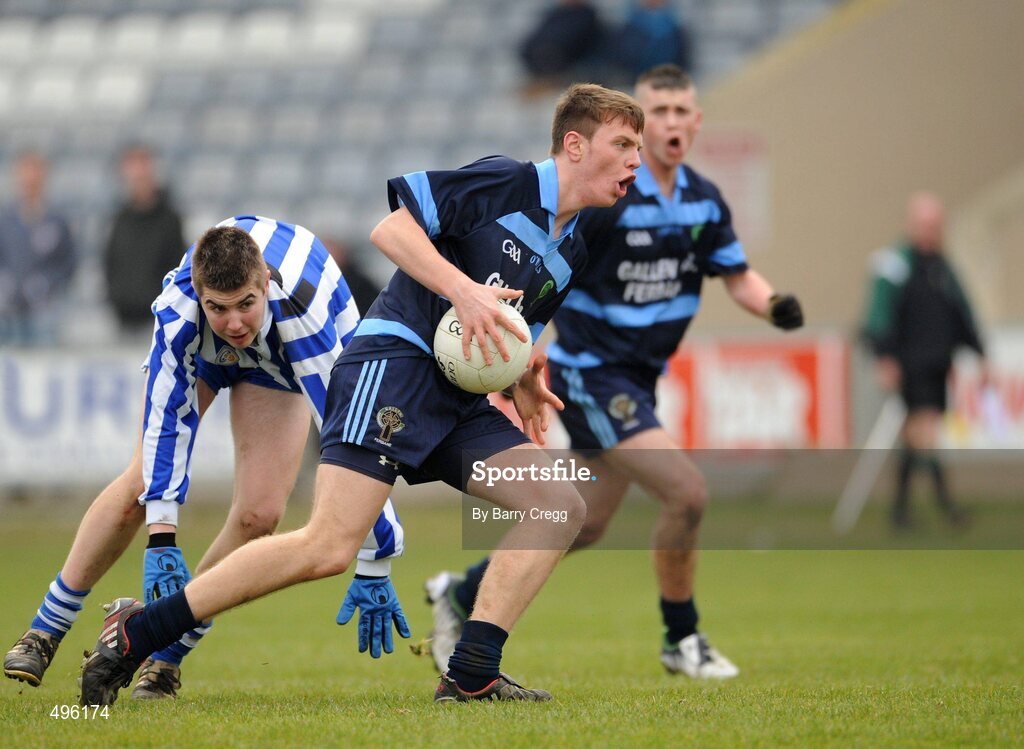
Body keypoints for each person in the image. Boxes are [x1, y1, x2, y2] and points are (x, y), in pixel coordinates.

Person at [76, 83, 644, 706]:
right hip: (393, 368)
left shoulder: (574, 248)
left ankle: (473, 672)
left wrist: (522, 376)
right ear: (574, 145)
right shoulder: (504, 183)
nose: (634, 161)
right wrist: (464, 290)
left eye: (636, 150)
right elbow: (392, 231)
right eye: (622, 145)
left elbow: (507, 331)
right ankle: (139, 633)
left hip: (456, 401)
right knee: (328, 548)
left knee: (559, 506)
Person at [426, 65, 803, 680]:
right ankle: (682, 639)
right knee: (687, 492)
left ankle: (461, 591)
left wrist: (771, 304)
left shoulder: (704, 199)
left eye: (684, 110)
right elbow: (545, 278)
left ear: (697, 121)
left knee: (588, 521)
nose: (672, 122)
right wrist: (519, 361)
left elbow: (735, 272)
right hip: (594, 373)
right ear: (638, 124)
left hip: (639, 377)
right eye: (660, 112)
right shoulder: (608, 202)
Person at [5, 216, 406, 699]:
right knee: (141, 482)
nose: (234, 322)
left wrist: (376, 554)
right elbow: (165, 425)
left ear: (266, 286)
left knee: (260, 516)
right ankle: (46, 629)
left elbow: (352, 439)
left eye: (245, 305)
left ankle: (163, 656)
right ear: (198, 293)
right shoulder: (179, 309)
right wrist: (161, 539)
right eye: (218, 307)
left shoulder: (306, 317)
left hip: (280, 360)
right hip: (205, 352)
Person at [862, 192, 985, 529]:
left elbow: (962, 312)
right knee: (925, 431)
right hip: (910, 363)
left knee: (918, 435)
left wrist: (979, 351)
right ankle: (945, 507)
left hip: (938, 364)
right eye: (926, 225)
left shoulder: (943, 268)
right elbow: (878, 314)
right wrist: (884, 356)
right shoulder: (896, 264)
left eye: (936, 226)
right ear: (913, 225)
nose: (932, 232)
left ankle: (901, 511)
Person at [102, 144, 186, 336]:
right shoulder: (119, 219)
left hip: (158, 318)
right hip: (123, 318)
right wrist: (116, 298)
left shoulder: (170, 220)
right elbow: (110, 263)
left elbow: (177, 265)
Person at [0, 150, 76, 346]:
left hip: (44, 309)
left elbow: (68, 263)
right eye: (26, 173)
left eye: (36, 172)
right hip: (7, 311)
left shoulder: (57, 220)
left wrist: (48, 282)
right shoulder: (5, 220)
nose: (30, 180)